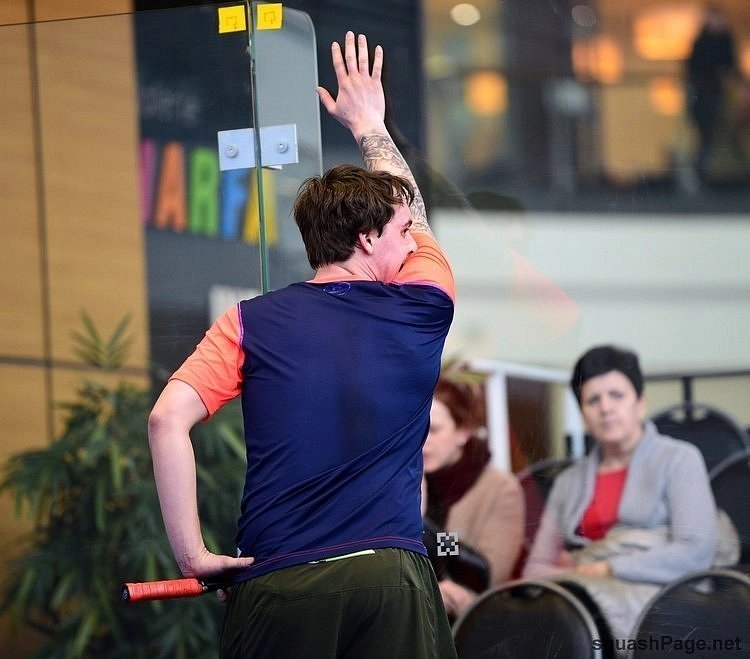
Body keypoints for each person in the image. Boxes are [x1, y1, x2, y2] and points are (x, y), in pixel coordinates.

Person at [148, 31, 457, 659]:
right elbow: (418, 214)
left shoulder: (247, 322)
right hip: (389, 576)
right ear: (367, 239)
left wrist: (193, 556)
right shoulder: (424, 304)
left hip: (280, 581)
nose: (411, 242)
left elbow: (165, 420)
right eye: (400, 232)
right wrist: (370, 125)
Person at [522, 345, 735, 642]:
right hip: (578, 606)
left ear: (640, 404)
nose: (605, 408)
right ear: (583, 414)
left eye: (617, 395)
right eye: (593, 400)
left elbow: (695, 551)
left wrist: (604, 567)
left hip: (665, 603)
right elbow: (536, 568)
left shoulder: (679, 459)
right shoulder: (567, 482)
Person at [422, 373, 524, 618]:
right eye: (418, 430)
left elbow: (489, 574)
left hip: (471, 623)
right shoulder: (408, 481)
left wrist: (422, 523)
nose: (423, 441)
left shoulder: (500, 488)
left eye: (434, 430)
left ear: (463, 431)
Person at [686, 4, 738, 181]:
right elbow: (695, 69)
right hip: (704, 95)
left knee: (719, 134)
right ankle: (701, 173)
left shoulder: (725, 40)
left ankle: (711, 173)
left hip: (718, 95)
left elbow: (731, 67)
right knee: (707, 134)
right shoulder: (702, 42)